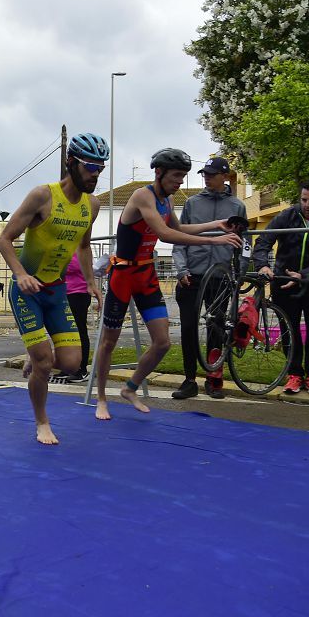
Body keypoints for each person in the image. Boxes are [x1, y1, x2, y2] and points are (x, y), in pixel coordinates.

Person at [92, 148, 242, 421]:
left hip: (145, 274)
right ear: (158, 173)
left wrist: (217, 224)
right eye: (176, 176)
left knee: (162, 342)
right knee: (108, 343)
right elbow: (165, 234)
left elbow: (181, 229)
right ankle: (101, 398)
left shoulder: (167, 199)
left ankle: (130, 387)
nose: (180, 182)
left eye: (184, 176)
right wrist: (214, 240)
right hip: (123, 274)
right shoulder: (142, 196)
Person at [0, 133, 105, 445]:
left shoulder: (92, 206)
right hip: (27, 292)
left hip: (57, 293)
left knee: (72, 363)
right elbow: (5, 238)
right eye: (89, 167)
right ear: (71, 163)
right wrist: (19, 275)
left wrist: (90, 282)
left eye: (100, 168)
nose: (95, 174)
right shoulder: (42, 196)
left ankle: (36, 359)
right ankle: (42, 421)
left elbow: (84, 246)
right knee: (45, 362)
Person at [252, 177, 309, 396]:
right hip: (284, 283)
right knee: (289, 329)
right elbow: (264, 240)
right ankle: (294, 373)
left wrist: (304, 275)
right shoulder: (288, 215)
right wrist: (263, 265)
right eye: (303, 199)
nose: (307, 205)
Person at [170, 156, 248, 400]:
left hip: (220, 278)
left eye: (212, 174)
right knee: (189, 328)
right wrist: (181, 270)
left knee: (217, 328)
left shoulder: (238, 206)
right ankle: (189, 379)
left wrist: (240, 271)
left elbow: (245, 243)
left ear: (225, 177)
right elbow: (178, 236)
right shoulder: (192, 203)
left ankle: (214, 379)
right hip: (192, 276)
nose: (207, 177)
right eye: (205, 173)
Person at [55, 253, 97, 383]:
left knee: (79, 330)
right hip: (63, 292)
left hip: (79, 293)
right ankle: (67, 366)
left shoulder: (81, 249)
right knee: (63, 332)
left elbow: (77, 267)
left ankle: (81, 369)